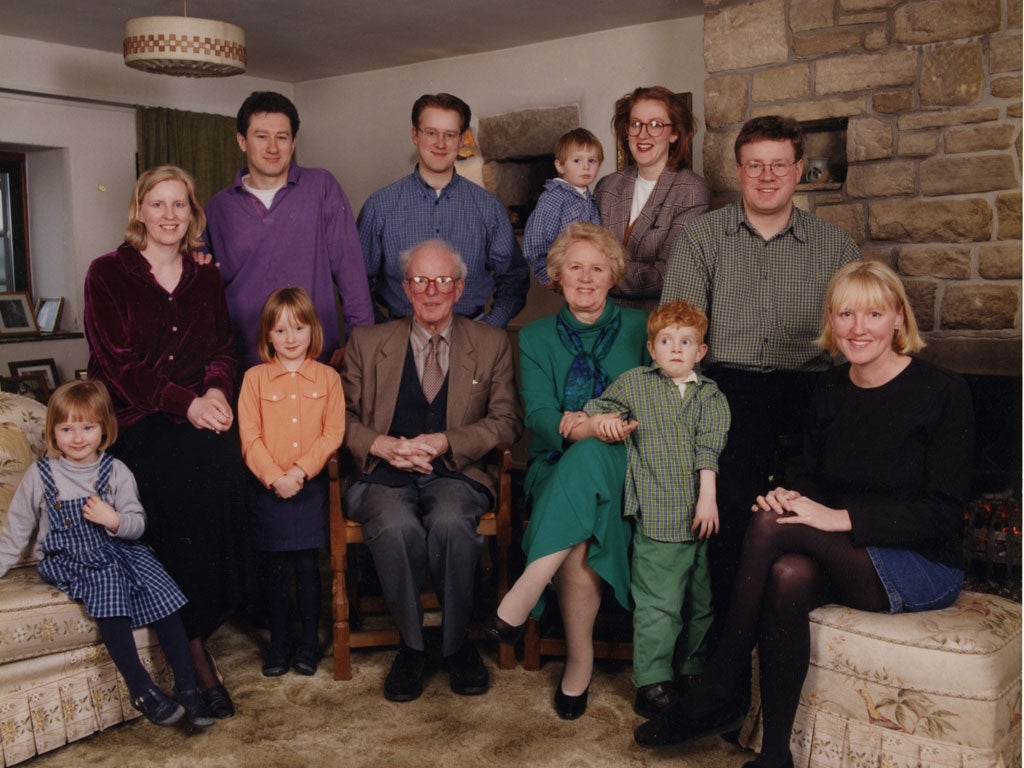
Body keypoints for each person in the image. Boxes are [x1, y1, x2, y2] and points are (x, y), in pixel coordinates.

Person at [636, 260, 975, 768]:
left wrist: (842, 520)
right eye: (845, 314)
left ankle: (719, 687)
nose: (858, 328)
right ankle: (775, 754)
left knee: (770, 528)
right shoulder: (831, 389)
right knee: (787, 572)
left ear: (900, 319)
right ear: (831, 323)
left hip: (922, 563)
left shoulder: (944, 392)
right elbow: (816, 479)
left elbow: (945, 514)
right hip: (850, 553)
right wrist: (792, 498)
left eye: (874, 314)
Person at [659, 115, 861, 671]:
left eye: (779, 165)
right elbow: (680, 331)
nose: (767, 176)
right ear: (739, 170)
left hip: (814, 387)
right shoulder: (703, 237)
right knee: (729, 514)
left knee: (819, 506)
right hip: (730, 387)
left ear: (799, 171)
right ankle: (725, 654)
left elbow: (855, 335)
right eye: (755, 165)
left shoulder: (833, 245)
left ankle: (803, 644)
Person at [84, 165, 248, 719]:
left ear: (193, 213)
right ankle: (197, 657)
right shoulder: (108, 273)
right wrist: (190, 404)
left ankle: (204, 620)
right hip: (138, 417)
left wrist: (220, 392)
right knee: (176, 491)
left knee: (228, 472)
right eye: (159, 205)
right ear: (139, 211)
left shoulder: (204, 275)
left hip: (199, 413)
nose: (170, 216)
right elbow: (119, 366)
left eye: (180, 205)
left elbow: (223, 347)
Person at [341, 239, 522, 702]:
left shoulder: (491, 343)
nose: (432, 291)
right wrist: (381, 444)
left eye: (443, 280)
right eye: (420, 280)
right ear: (405, 288)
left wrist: (446, 441)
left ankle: (457, 643)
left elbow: (507, 420)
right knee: (396, 524)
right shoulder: (367, 342)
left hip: (455, 474)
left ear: (460, 288)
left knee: (449, 522)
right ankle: (413, 646)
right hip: (383, 474)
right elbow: (340, 418)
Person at [483, 222, 649, 720]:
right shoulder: (533, 337)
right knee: (579, 524)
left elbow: (664, 404)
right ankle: (581, 660)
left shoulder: (644, 329)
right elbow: (535, 414)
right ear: (556, 275)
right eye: (574, 267)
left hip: (629, 467)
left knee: (597, 453)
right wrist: (579, 430)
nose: (585, 278)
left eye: (597, 268)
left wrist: (602, 428)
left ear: (613, 275)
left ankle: (528, 587)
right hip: (555, 466)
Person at [0, 381, 215, 729]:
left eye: (88, 427)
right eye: (66, 428)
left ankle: (188, 689)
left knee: (163, 591)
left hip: (119, 549)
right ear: (53, 432)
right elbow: (15, 532)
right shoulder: (40, 476)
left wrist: (114, 520)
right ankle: (142, 689)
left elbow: (137, 524)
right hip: (72, 557)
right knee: (108, 587)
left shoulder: (116, 471)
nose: (78, 437)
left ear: (104, 429)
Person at [581, 301, 730, 719]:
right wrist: (607, 421)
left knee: (700, 601)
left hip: (702, 513)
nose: (676, 349)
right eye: (666, 341)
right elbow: (596, 408)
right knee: (658, 603)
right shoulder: (635, 384)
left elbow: (709, 448)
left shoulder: (711, 396)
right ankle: (652, 680)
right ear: (652, 348)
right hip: (660, 515)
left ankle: (692, 668)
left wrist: (708, 495)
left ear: (700, 351)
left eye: (686, 342)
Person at [204, 91, 374, 369]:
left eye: (281, 137)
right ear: (241, 141)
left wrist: (358, 345)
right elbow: (199, 287)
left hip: (316, 359)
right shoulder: (218, 207)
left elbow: (352, 275)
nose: (272, 147)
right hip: (246, 364)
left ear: (293, 143)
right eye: (261, 136)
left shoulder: (321, 187)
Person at [237, 287, 345, 678]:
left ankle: (308, 645)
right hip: (269, 490)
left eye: (298, 328)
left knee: (307, 568)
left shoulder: (329, 378)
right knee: (276, 570)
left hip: (309, 487)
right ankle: (279, 643)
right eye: (280, 331)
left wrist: (299, 472)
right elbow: (249, 437)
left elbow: (333, 433)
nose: (290, 338)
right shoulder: (254, 379)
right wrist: (275, 477)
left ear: (312, 330)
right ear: (268, 335)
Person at [357, 92, 529, 328]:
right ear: (414, 135)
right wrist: (382, 331)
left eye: (450, 135)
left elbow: (514, 278)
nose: (440, 143)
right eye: (431, 133)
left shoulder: (488, 208)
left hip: (471, 338)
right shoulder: (380, 206)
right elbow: (355, 283)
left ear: (462, 140)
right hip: (398, 335)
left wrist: (488, 329)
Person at [594, 86, 711, 312]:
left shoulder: (691, 191)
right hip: (600, 319)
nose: (643, 134)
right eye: (635, 124)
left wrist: (596, 276)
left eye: (656, 125)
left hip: (657, 326)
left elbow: (667, 273)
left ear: (674, 133)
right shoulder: (607, 186)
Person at [522, 128, 604, 286]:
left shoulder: (590, 199)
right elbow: (536, 241)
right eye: (577, 161)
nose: (586, 167)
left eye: (592, 161)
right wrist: (548, 278)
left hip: (589, 277)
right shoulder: (553, 197)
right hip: (561, 278)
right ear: (560, 166)